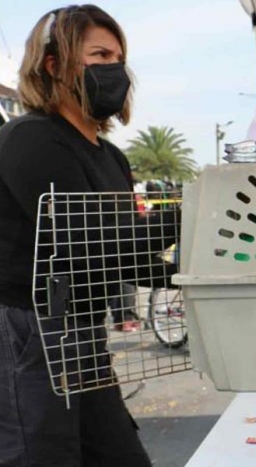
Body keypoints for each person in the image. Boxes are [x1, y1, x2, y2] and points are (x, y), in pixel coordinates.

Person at [0, 5, 179, 466]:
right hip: (30, 330)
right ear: (54, 65)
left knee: (119, 453)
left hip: (82, 329)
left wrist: (187, 277)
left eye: (119, 57)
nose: (114, 69)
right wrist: (192, 214)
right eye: (99, 55)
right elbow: (90, 241)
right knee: (42, 453)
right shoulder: (31, 139)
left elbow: (119, 257)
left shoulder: (111, 157)